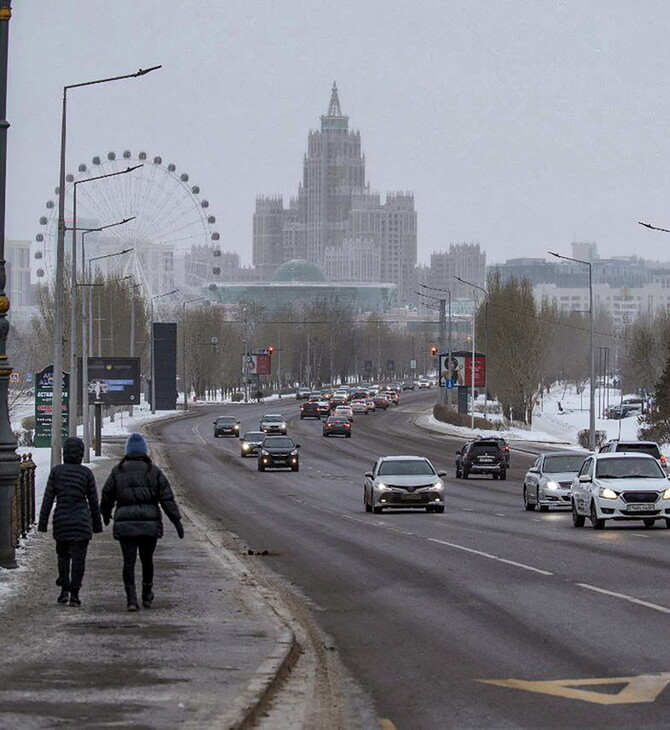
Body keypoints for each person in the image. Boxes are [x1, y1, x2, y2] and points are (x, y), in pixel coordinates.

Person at [100, 433, 184, 612]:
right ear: (144, 451)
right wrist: (176, 520)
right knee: (147, 560)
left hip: (126, 525)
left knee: (128, 562)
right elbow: (166, 498)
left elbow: (107, 496)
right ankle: (147, 593)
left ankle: (131, 599)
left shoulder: (118, 471)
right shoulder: (153, 471)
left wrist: (105, 515)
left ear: (127, 451)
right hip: (149, 525)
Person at [38, 436, 103, 607]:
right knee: (79, 560)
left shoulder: (56, 472)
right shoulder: (86, 473)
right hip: (81, 522)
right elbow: (93, 501)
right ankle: (75, 594)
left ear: (65, 453)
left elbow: (47, 499)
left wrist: (43, 524)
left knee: (63, 556)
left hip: (61, 521)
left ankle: (64, 591)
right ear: (81, 454)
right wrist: (97, 525)